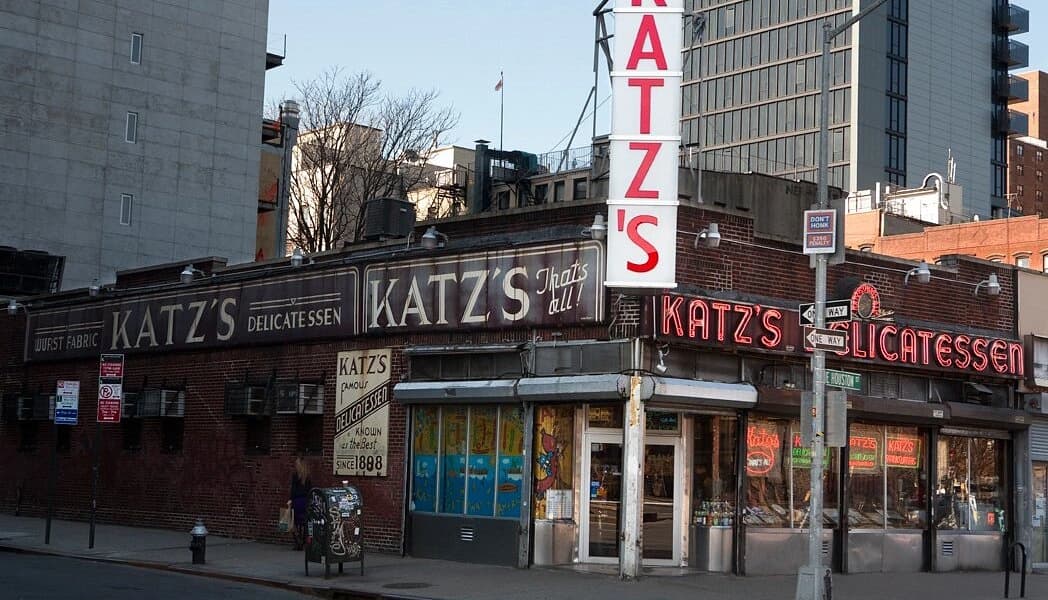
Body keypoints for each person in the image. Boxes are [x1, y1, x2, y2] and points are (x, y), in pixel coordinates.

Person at [287, 457, 311, 550]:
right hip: (305, 501)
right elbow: (310, 489)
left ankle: (298, 541)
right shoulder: (308, 476)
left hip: (297, 501)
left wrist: (290, 500)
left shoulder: (295, 475)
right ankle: (303, 541)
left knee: (293, 522)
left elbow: (293, 490)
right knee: (304, 522)